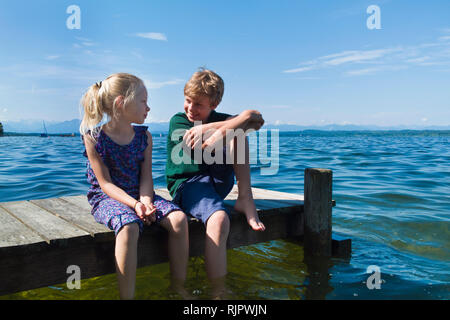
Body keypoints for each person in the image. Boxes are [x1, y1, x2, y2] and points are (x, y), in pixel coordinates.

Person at [80, 73, 189, 300]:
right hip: (108, 197)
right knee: (129, 226)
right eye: (143, 101)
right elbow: (106, 184)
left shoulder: (144, 136)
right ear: (121, 103)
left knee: (179, 219)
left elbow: (146, 178)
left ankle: (179, 289)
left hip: (141, 194)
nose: (148, 108)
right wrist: (135, 205)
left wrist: (146, 201)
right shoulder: (94, 138)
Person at [165, 68, 265, 297]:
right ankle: (219, 291)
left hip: (218, 181)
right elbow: (202, 144)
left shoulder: (217, 119)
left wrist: (210, 126)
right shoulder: (178, 121)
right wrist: (222, 126)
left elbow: (255, 118)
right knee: (219, 219)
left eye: (198, 104)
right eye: (188, 101)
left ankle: (244, 198)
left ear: (214, 103)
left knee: (239, 131)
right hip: (187, 184)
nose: (191, 108)